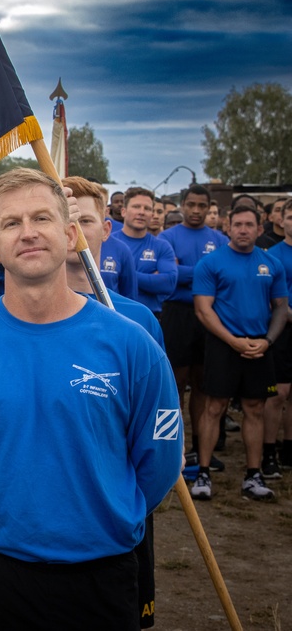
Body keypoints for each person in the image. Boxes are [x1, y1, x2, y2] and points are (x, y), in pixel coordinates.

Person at [0, 168, 181, 630]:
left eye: (41, 217)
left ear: (69, 233)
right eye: (12, 222)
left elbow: (158, 462)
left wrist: (105, 515)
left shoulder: (131, 343)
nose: (29, 232)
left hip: (104, 573)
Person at [63, 176, 165, 629]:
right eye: (64, 220)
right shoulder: (25, 312)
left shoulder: (139, 319)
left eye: (84, 220)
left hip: (119, 505)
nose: (73, 231)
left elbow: (156, 423)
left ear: (106, 227)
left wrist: (134, 500)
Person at [191, 205, 288, 502]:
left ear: (260, 229)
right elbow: (203, 310)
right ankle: (203, 473)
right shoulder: (211, 263)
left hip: (259, 345)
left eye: (249, 225)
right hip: (224, 345)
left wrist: (268, 342)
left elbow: (281, 308)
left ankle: (253, 475)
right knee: (214, 407)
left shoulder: (271, 263)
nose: (243, 230)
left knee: (255, 409)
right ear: (227, 228)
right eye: (237, 224)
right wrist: (232, 341)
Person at [159, 186, 229, 471]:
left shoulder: (220, 239)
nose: (197, 211)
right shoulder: (167, 238)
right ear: (183, 205)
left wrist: (188, 271)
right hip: (177, 314)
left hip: (211, 316)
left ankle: (201, 449)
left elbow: (223, 277)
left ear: (209, 206)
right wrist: (203, 270)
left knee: (202, 384)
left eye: (202, 205)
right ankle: (172, 448)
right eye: (192, 205)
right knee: (175, 384)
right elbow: (170, 278)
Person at [111, 186, 178, 317]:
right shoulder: (108, 243)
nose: (141, 212)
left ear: (152, 215)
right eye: (136, 207)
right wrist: (150, 278)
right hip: (114, 316)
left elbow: (168, 283)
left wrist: (122, 275)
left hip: (149, 318)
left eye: (147, 208)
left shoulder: (162, 246)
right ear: (123, 211)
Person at [264, 200, 292, 478]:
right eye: (291, 217)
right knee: (278, 394)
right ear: (282, 220)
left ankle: (288, 446)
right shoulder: (272, 257)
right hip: (282, 330)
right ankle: (269, 450)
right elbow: (274, 301)